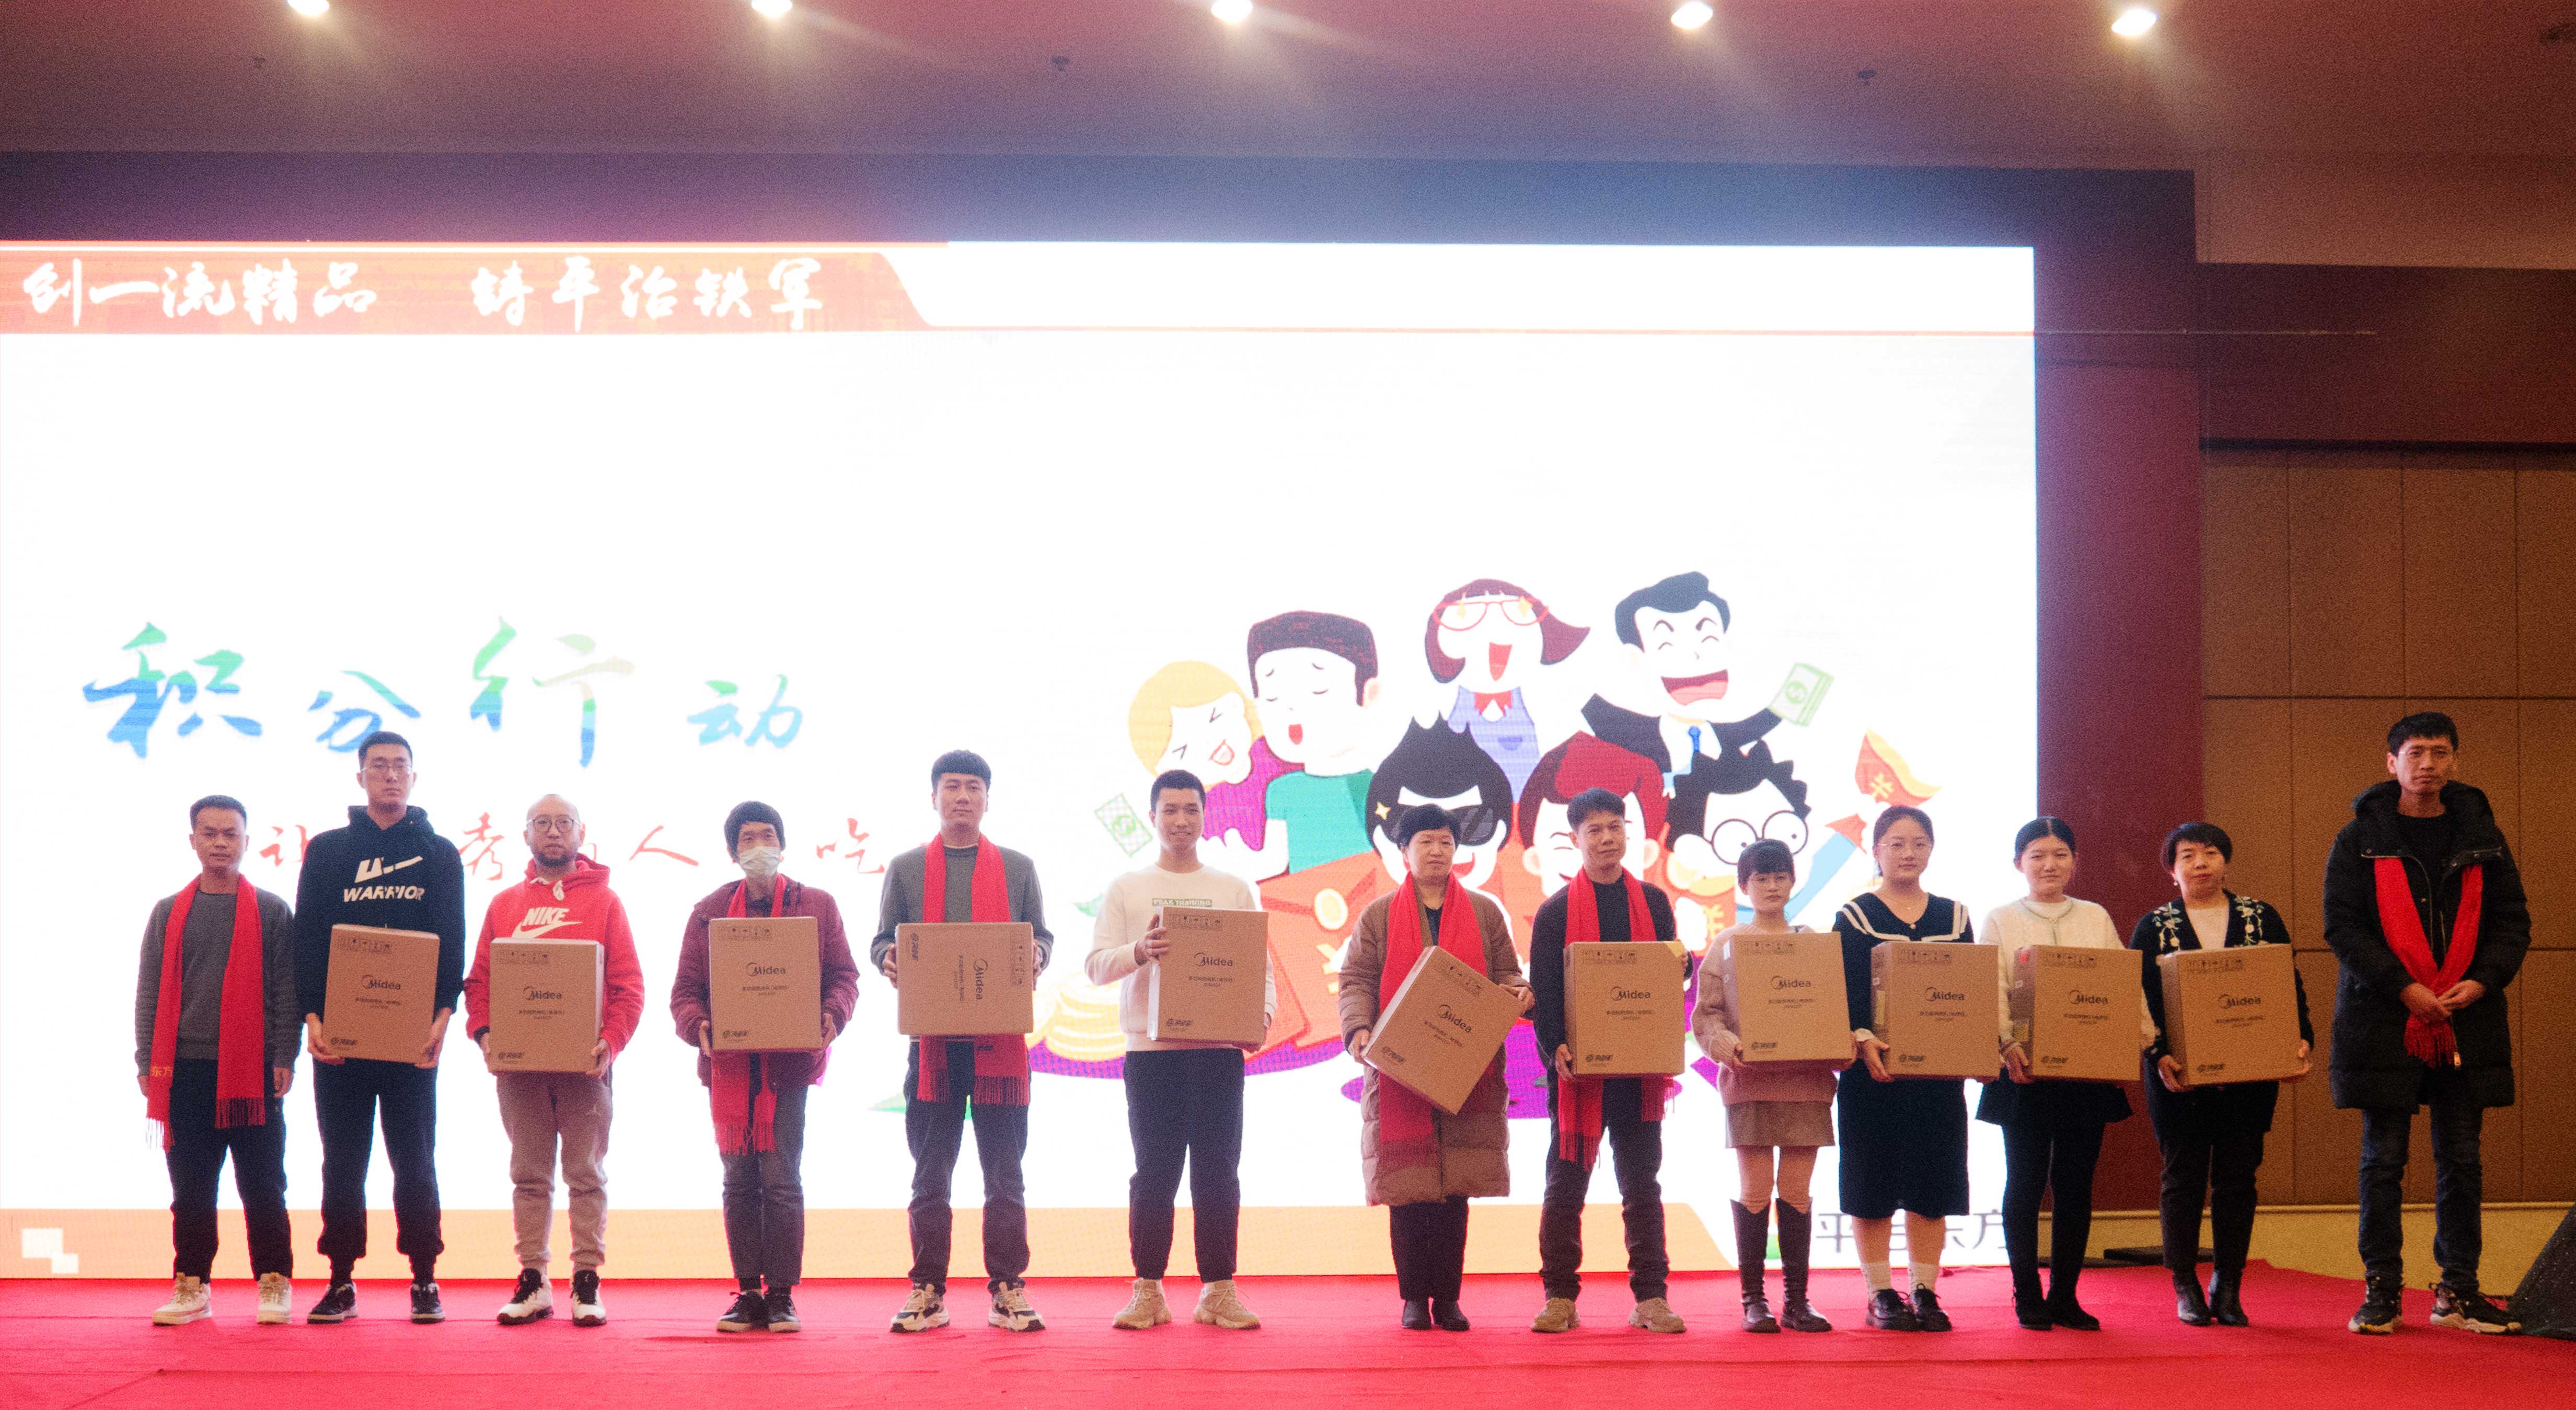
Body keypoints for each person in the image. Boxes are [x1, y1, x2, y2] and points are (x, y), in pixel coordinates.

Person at [2324, 712, 2529, 1336]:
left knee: (2462, 1161)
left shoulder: (2483, 836)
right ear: (2392, 763)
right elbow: (2343, 928)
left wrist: (2484, 979)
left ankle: (2458, 1290)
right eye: (2416, 753)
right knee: (2383, 1161)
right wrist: (2405, 987)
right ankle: (2382, 1291)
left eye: (2440, 753)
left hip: (2468, 1019)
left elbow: (2512, 921)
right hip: (2385, 1019)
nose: (2429, 765)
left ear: (2455, 761)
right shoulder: (2359, 838)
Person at [1084, 768, 1275, 1331]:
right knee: (1154, 1173)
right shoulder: (1127, 887)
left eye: (1191, 809)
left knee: (1218, 1172)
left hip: (1218, 1052)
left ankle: (1218, 1290)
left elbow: (1259, 967)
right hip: (1151, 1054)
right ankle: (1148, 1290)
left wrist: (1260, 1019)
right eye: (1170, 810)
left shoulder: (1233, 888)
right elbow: (1095, 966)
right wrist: (1139, 951)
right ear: (1152, 817)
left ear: (1204, 816)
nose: (1181, 820)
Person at [873, 750, 1056, 1334]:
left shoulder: (1019, 868)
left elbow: (1041, 936)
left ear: (987, 799)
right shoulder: (906, 868)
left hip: (999, 1043)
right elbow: (882, 940)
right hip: (934, 1045)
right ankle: (927, 1289)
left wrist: (1037, 954)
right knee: (931, 1172)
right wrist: (889, 957)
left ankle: (1008, 1288)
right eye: (951, 786)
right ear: (933, 797)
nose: (962, 797)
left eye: (973, 787)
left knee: (1004, 1172)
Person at [292, 731, 466, 1325]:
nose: (390, 775)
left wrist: (442, 1017)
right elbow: (308, 939)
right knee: (343, 1161)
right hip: (340, 1038)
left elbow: (451, 939)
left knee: (415, 1159)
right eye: (378, 765)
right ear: (360, 776)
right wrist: (312, 1017)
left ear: (414, 777)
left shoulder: (439, 853)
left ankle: (424, 1277)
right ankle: (340, 1279)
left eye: (400, 766)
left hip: (411, 1039)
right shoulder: (328, 851)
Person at [1337, 804, 1532, 1332]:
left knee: (1453, 1192)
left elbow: (1508, 973)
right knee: (1408, 1192)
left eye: (1446, 841)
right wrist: (1358, 1029)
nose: (1437, 851)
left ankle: (1447, 1298)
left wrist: (1519, 992)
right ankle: (1412, 1297)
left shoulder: (1485, 913)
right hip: (1399, 1072)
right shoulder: (1378, 915)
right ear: (1403, 851)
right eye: (1425, 841)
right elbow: (1356, 979)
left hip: (1466, 1069)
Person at [669, 801, 860, 1334]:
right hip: (729, 1069)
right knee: (738, 1181)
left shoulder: (816, 905)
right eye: (748, 839)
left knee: (780, 1179)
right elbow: (684, 991)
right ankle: (748, 1292)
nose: (759, 847)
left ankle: (781, 1294)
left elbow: (844, 976)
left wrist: (832, 1014)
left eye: (768, 836)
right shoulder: (708, 911)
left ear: (783, 845)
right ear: (733, 852)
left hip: (787, 1068)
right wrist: (698, 1026)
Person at [460, 794, 645, 1328]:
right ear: (525, 836)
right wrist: (485, 1035)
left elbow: (628, 985)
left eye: (564, 822)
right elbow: (480, 982)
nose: (553, 831)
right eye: (541, 823)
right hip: (521, 1070)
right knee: (529, 1176)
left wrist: (610, 1041)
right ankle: (533, 1279)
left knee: (586, 1175)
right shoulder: (505, 905)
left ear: (581, 833)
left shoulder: (606, 903)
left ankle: (586, 1278)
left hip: (585, 1069)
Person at [2132, 821, 2312, 1328]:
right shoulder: (2154, 925)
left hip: (2250, 1075)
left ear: (2226, 862)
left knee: (2238, 1179)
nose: (2200, 863)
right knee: (2183, 1178)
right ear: (2171, 870)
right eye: (2187, 855)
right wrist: (2158, 1055)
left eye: (2210, 853)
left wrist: (2300, 1039)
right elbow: (2137, 998)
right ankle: (2185, 1284)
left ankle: (2227, 1284)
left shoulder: (2261, 917)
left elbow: (2287, 983)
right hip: (2179, 1076)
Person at [1978, 817, 2151, 1332]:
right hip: (2024, 1072)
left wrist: (2138, 1041)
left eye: (2059, 854)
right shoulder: (2001, 918)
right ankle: (2026, 1293)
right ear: (2018, 863)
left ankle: (2065, 1296)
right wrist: (2006, 1044)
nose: (2049, 864)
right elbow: (1991, 986)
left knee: (2075, 1184)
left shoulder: (2095, 916)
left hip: (2084, 1074)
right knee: (2025, 1181)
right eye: (2037, 855)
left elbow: (2121, 984)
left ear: (2075, 861)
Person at [1525, 788, 1685, 1334]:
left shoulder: (1655, 903)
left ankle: (1651, 1298)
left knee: (1642, 1185)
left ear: (1627, 832)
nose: (1607, 838)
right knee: (1565, 1187)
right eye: (1594, 830)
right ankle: (1559, 1297)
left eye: (1615, 827)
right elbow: (1545, 993)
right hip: (1580, 1075)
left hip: (1639, 1072)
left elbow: (1666, 975)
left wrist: (1682, 965)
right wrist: (1555, 1048)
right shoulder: (1554, 913)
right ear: (1574, 839)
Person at [138, 795, 299, 1326]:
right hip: (185, 1072)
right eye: (209, 833)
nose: (220, 843)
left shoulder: (271, 911)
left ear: (247, 841)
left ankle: (273, 1281)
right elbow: (149, 992)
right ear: (193, 841)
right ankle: (192, 1285)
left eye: (231, 833)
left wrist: (285, 1053)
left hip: (252, 1072)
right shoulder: (168, 912)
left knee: (264, 1185)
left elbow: (287, 990)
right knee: (191, 1190)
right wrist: (145, 1062)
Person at [1692, 838, 1842, 1334]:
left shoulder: (1813, 942)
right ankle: (1753, 1300)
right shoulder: (1727, 942)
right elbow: (1706, 1015)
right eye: (1761, 878)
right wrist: (1721, 1042)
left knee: (1797, 1189)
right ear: (1744, 885)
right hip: (1749, 1082)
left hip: (1806, 1082)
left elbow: (1832, 1007)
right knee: (1755, 1187)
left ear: (1793, 882)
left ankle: (1797, 1301)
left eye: (1780, 876)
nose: (1772, 886)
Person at [1833, 805, 1972, 1333]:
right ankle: (1880, 1293)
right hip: (1873, 1073)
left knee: (1931, 1184)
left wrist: (1974, 1050)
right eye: (1896, 843)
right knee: (1871, 1183)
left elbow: (1968, 994)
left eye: (1918, 843)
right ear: (1876, 851)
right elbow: (1841, 992)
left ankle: (1925, 1290)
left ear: (1931, 849)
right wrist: (1861, 1037)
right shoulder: (1854, 915)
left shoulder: (1954, 917)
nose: (1908, 853)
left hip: (1937, 1078)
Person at [1423, 578, 1590, 799]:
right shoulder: (1444, 707)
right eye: (1471, 621)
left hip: (1521, 799)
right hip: (1467, 803)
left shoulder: (1539, 701)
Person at [1248, 611, 1385, 872]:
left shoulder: (1377, 786)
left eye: (1318, 690)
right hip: (1308, 896)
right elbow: (1274, 861)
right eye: (1273, 697)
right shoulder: (1282, 790)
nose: (1292, 707)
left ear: (1369, 693)